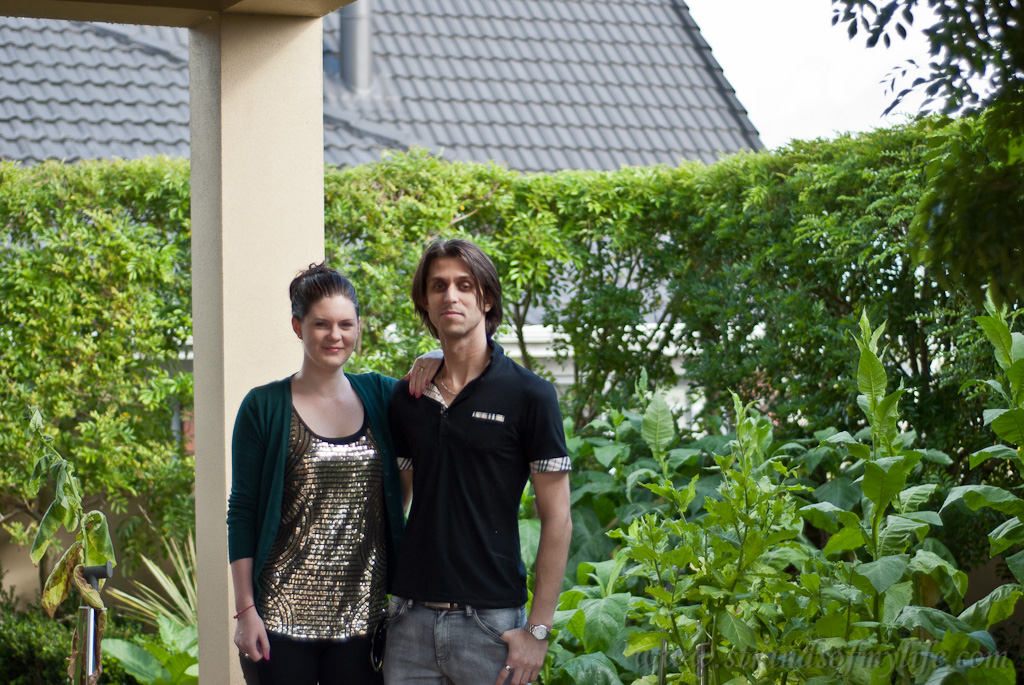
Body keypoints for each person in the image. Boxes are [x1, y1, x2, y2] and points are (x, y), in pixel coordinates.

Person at [227, 263, 440, 685]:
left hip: (366, 621)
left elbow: (450, 384)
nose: (335, 335)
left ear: (360, 326)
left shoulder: (381, 394)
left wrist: (435, 355)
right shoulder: (264, 407)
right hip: (279, 622)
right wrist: (246, 610)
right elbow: (242, 512)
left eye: (346, 324)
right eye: (321, 324)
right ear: (297, 326)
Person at [384, 239, 572, 685]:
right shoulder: (407, 397)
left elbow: (559, 519)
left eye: (464, 285)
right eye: (438, 286)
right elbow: (397, 502)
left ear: (485, 299)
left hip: (493, 626)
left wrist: (538, 631)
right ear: (425, 303)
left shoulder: (531, 396)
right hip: (408, 622)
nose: (451, 295)